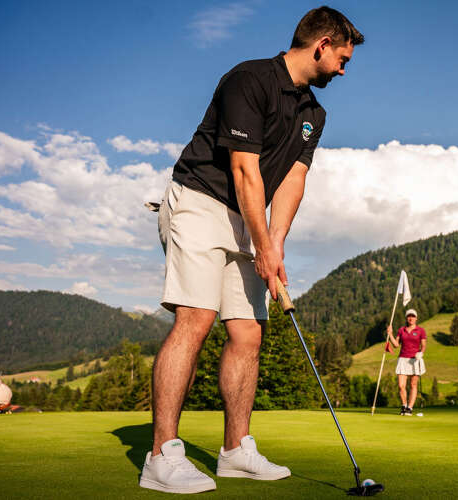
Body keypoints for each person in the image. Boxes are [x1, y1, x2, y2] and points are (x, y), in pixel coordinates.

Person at [141, 7, 363, 494]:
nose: (345, 69)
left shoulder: (314, 113)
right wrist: (260, 245)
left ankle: (237, 451)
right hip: (199, 201)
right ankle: (160, 456)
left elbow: (292, 180)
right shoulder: (249, 79)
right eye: (343, 58)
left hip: (248, 215)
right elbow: (244, 169)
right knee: (196, 318)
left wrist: (275, 244)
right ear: (321, 44)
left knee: (247, 333)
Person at [386, 309, 427, 416]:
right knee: (401, 385)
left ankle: (410, 408)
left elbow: (423, 345)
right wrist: (390, 334)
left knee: (413, 385)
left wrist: (421, 353)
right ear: (406, 318)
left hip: (415, 359)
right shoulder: (402, 330)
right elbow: (396, 344)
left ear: (416, 318)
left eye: (413, 316)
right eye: (409, 316)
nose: (411, 318)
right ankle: (404, 405)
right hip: (403, 359)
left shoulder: (421, 330)